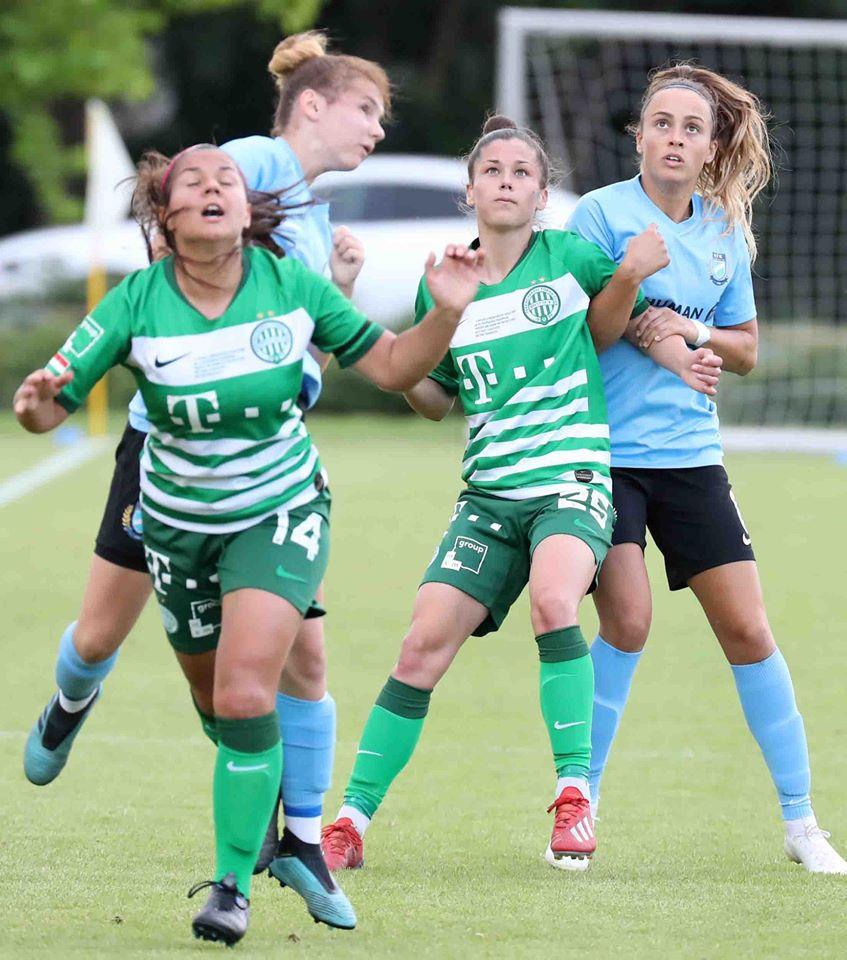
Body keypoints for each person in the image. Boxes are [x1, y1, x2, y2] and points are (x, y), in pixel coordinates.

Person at [14, 145, 487, 943]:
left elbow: (393, 365)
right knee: (218, 709)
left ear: (245, 210)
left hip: (279, 513)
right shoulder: (135, 302)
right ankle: (289, 841)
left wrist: (443, 313)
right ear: (165, 216)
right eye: (192, 182)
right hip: (175, 528)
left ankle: (233, 885)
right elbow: (51, 404)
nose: (212, 187)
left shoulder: (291, 287)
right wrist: (34, 406)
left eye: (225, 180)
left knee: (244, 695)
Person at [21, 31, 388, 919]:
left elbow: (300, 357)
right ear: (312, 104)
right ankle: (71, 699)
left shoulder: (314, 218)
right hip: (168, 456)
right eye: (367, 109)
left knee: (303, 657)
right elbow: (180, 253)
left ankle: (295, 840)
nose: (377, 129)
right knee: (100, 636)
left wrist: (337, 291)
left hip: (265, 477)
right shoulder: (252, 162)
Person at [317, 114, 703, 874]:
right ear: (468, 191)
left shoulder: (569, 257)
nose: (505, 181)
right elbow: (429, 397)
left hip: (571, 480)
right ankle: (349, 823)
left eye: (521, 172)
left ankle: (573, 798)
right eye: (491, 170)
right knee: (419, 647)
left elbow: (624, 323)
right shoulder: (448, 281)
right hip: (488, 499)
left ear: (541, 196)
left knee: (555, 604)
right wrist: (384, 308)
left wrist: (673, 341)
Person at [566, 63, 847, 874]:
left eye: (691, 128)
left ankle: (800, 823)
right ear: (639, 136)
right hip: (606, 457)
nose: (674, 138)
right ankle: (578, 805)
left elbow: (746, 350)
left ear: (711, 146)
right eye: (661, 123)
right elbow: (590, 330)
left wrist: (690, 333)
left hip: (691, 460)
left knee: (749, 630)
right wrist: (631, 283)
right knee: (627, 622)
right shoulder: (598, 216)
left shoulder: (723, 231)